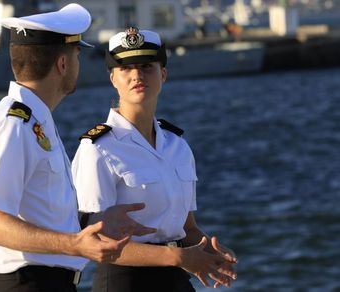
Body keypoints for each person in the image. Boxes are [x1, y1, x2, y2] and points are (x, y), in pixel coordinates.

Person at [0, 5, 154, 292]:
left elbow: (40, 212)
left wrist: (96, 222)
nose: (80, 63)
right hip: (29, 285)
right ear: (62, 64)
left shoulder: (34, 120)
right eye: (77, 55)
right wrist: (76, 244)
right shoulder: (14, 124)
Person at [72, 27, 239, 291]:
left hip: (175, 278)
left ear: (163, 74)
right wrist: (178, 257)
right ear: (113, 78)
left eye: (147, 66)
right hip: (124, 281)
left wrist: (211, 252)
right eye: (126, 68)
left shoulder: (177, 146)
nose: (137, 75)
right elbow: (95, 241)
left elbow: (186, 227)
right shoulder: (98, 148)